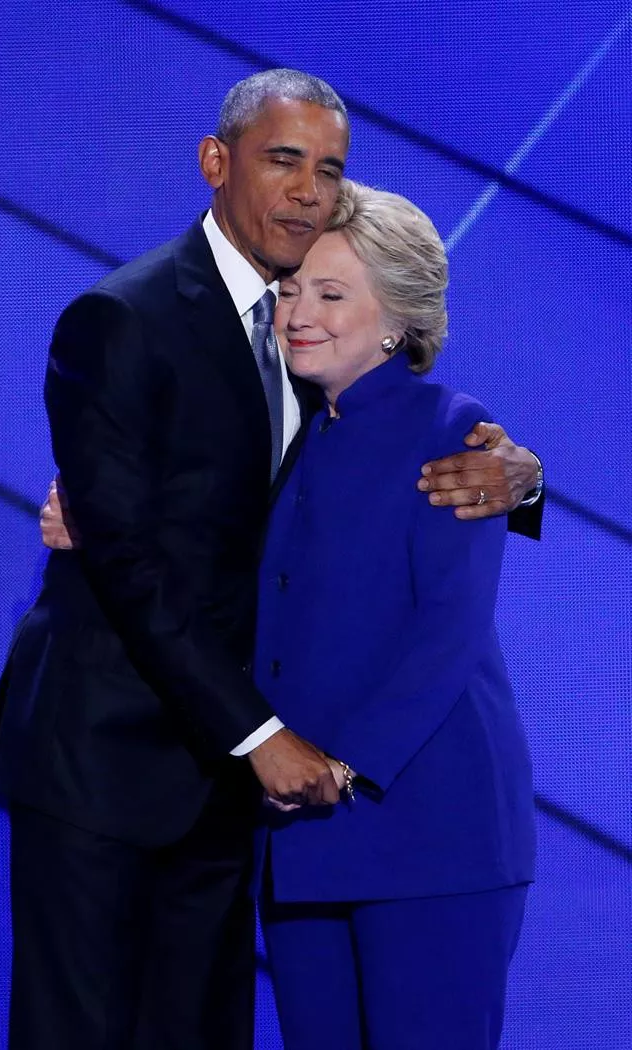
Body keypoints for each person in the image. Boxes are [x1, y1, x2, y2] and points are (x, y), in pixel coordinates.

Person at [0, 70, 541, 1050]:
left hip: (280, 798)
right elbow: (135, 551)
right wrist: (258, 737)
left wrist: (525, 480)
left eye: (327, 170)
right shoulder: (126, 319)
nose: (305, 189)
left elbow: (413, 502)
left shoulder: (368, 383)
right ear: (216, 162)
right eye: (284, 159)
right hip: (120, 767)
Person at [255, 179, 536, 1050]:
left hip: (427, 831)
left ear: (397, 321)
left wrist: (343, 765)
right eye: (293, 286)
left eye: (331, 293)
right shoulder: (287, 427)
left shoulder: (458, 433)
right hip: (298, 835)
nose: (299, 310)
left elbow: (445, 633)